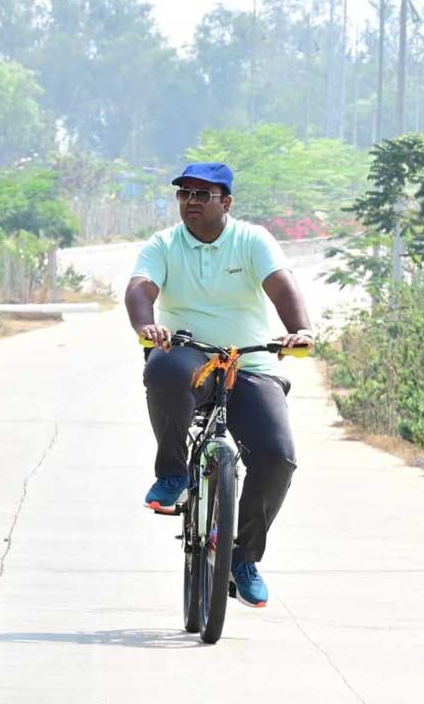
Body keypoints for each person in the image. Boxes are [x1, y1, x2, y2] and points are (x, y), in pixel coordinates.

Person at [125, 162, 314, 609]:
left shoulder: (252, 240)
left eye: (201, 195)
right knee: (164, 368)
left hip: (250, 360)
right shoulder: (165, 245)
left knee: (277, 456)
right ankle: (172, 475)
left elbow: (280, 284)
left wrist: (301, 330)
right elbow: (139, 288)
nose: (190, 202)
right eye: (183, 195)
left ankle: (243, 559)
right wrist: (147, 326)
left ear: (225, 202)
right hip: (191, 352)